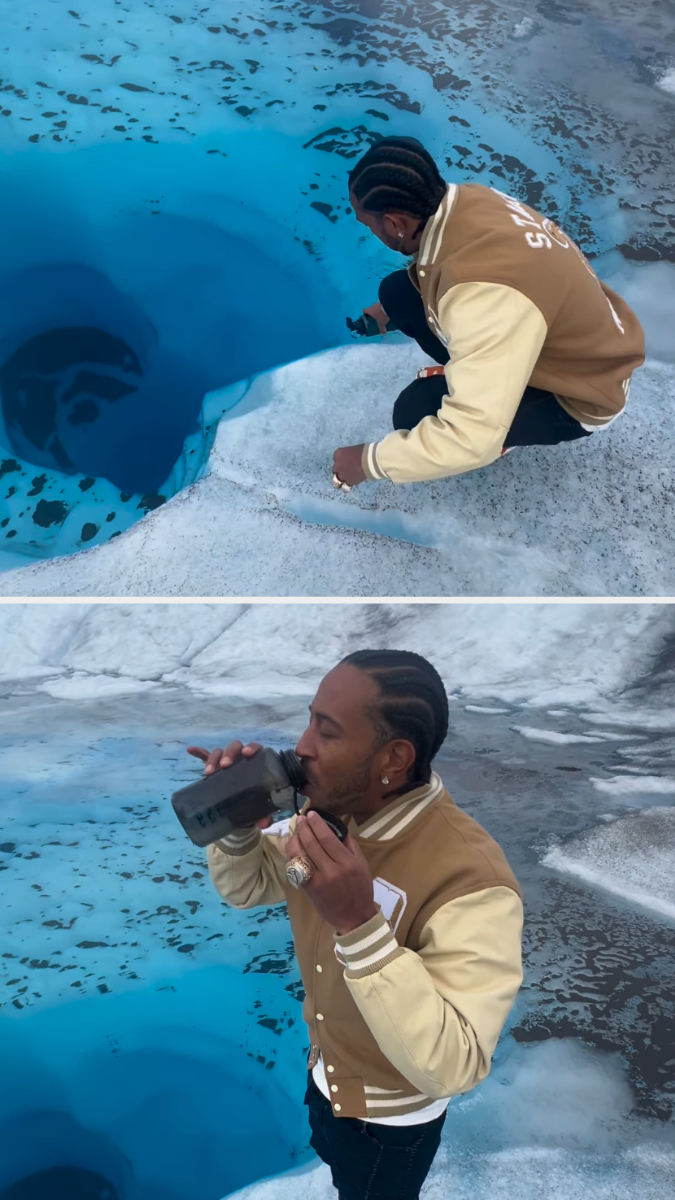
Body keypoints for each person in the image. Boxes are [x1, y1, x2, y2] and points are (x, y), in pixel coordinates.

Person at [188, 649, 523, 1200]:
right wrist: (238, 826)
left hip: (392, 1128)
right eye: (309, 719)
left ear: (393, 757)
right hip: (325, 1079)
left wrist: (358, 923)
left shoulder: (473, 881)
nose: (301, 746)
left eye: (327, 730)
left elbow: (456, 1065)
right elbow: (246, 886)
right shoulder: (322, 819)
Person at [332, 136, 645, 490]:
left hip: (579, 393)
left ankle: (507, 426)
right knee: (397, 293)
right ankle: (491, 376)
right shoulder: (469, 199)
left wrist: (366, 462)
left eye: (367, 224)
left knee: (415, 412)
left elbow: (469, 438)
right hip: (580, 335)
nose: (369, 231)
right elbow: (442, 267)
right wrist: (387, 310)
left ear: (393, 224)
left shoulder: (482, 296)